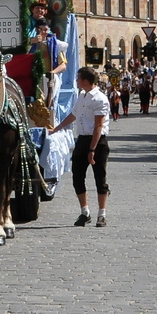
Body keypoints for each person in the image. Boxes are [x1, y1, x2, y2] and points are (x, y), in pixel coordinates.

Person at [51, 68, 110, 227]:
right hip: (82, 140)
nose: (76, 81)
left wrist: (92, 150)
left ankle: (102, 214)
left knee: (100, 178)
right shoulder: (81, 96)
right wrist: (56, 128)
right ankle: (85, 212)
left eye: (78, 78)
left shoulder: (100, 99)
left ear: (85, 80)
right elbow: (73, 115)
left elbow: (98, 126)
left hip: (97, 142)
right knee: (77, 176)